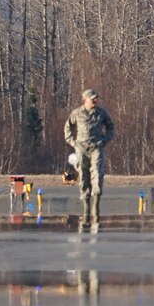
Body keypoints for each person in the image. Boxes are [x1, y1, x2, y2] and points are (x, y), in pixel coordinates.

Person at [64, 89, 115, 232]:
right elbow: (68, 127)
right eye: (92, 98)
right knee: (84, 177)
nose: (95, 100)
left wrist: (105, 140)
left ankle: (95, 207)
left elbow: (110, 126)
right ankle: (86, 207)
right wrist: (72, 142)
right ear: (85, 99)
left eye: (96, 98)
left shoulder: (101, 113)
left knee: (97, 173)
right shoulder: (77, 113)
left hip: (96, 148)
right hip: (81, 149)